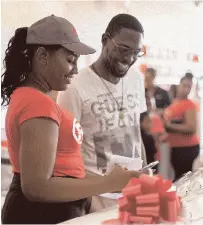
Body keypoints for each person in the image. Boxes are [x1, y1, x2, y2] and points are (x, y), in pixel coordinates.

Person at [1, 15, 141, 224]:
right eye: (69, 60)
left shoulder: (35, 97)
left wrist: (110, 182)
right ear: (42, 56)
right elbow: (37, 187)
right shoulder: (36, 103)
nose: (74, 70)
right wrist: (107, 183)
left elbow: (64, 170)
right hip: (40, 214)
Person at [57, 13, 147, 212]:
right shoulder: (75, 88)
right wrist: (85, 200)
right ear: (105, 40)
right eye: (124, 49)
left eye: (136, 52)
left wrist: (145, 179)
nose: (130, 58)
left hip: (133, 195)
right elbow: (65, 154)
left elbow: (136, 135)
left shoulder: (136, 80)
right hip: (96, 200)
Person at [164, 73, 200, 181]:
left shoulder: (189, 104)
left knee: (183, 179)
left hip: (186, 147)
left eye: (189, 87)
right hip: (175, 147)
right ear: (179, 85)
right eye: (184, 85)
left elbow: (191, 128)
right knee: (178, 177)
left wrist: (169, 126)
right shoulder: (174, 102)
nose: (186, 89)